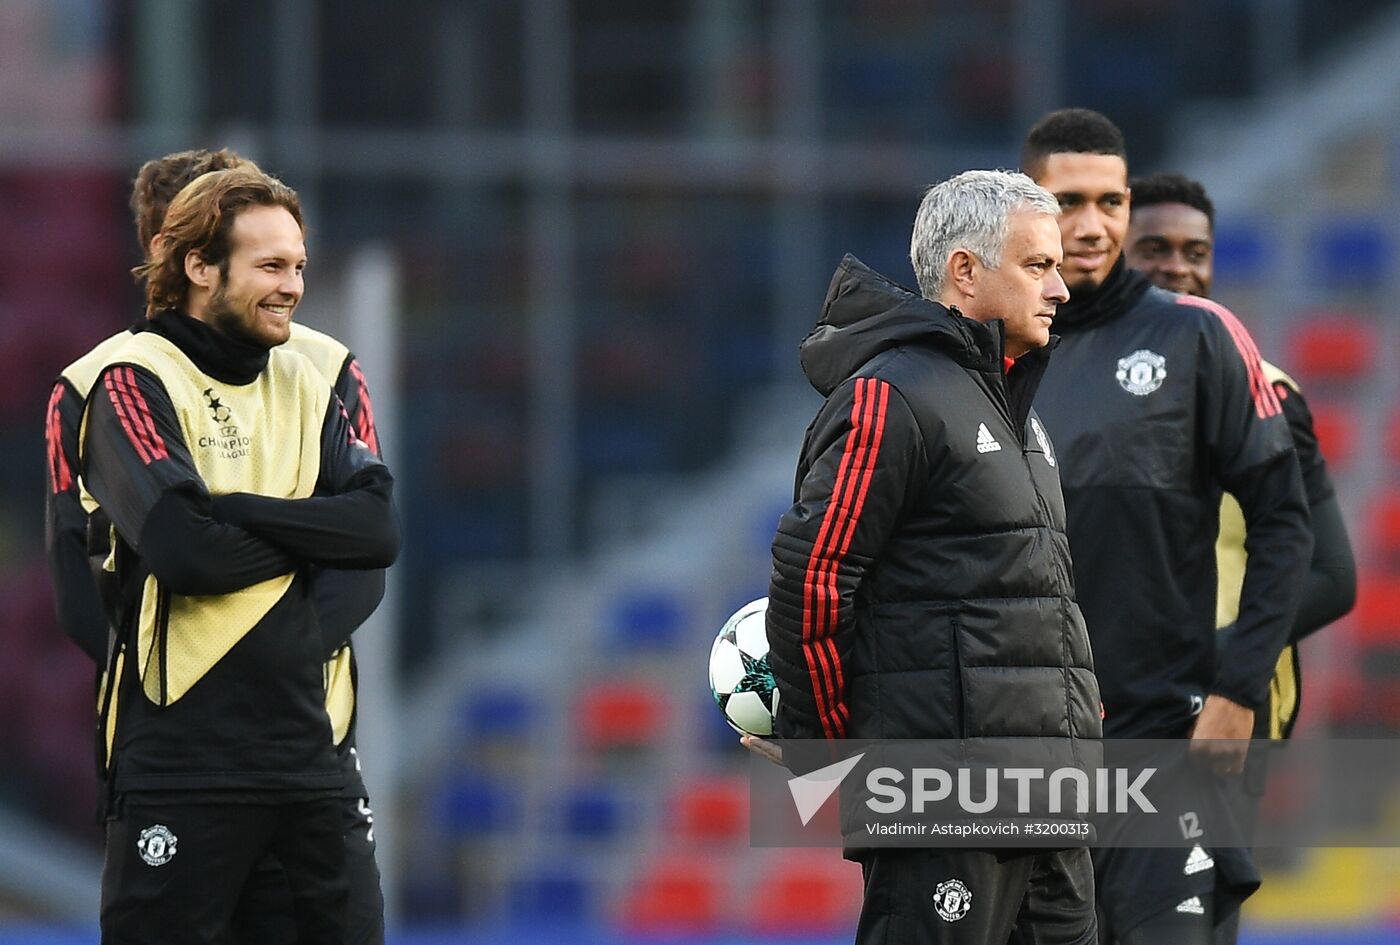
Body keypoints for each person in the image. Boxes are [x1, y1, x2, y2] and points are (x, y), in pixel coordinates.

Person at [44, 148, 389, 944]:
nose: (288, 282)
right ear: (183, 259)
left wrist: (277, 643)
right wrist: (185, 682)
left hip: (310, 747)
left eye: (293, 260)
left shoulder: (323, 367)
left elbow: (371, 545)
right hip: (183, 759)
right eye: (265, 259)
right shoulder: (110, 385)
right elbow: (92, 577)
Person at [761, 169, 1101, 945]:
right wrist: (826, 754)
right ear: (965, 271)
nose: (1062, 290)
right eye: (1038, 266)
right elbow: (813, 575)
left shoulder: (1023, 419)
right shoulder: (891, 396)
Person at [1022, 110, 1313, 944]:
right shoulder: (987, 355)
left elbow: (1285, 527)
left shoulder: (1199, 338)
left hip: (1164, 745)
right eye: (1066, 200)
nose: (1091, 224)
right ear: (1027, 203)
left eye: (1109, 201)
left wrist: (1235, 695)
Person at [1124, 170, 1356, 945]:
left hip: (1217, 720)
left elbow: (1332, 575)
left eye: (1195, 251)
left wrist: (1211, 672)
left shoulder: (1268, 394)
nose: (1178, 266)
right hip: (1093, 720)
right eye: (1153, 248)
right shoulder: (1070, 391)